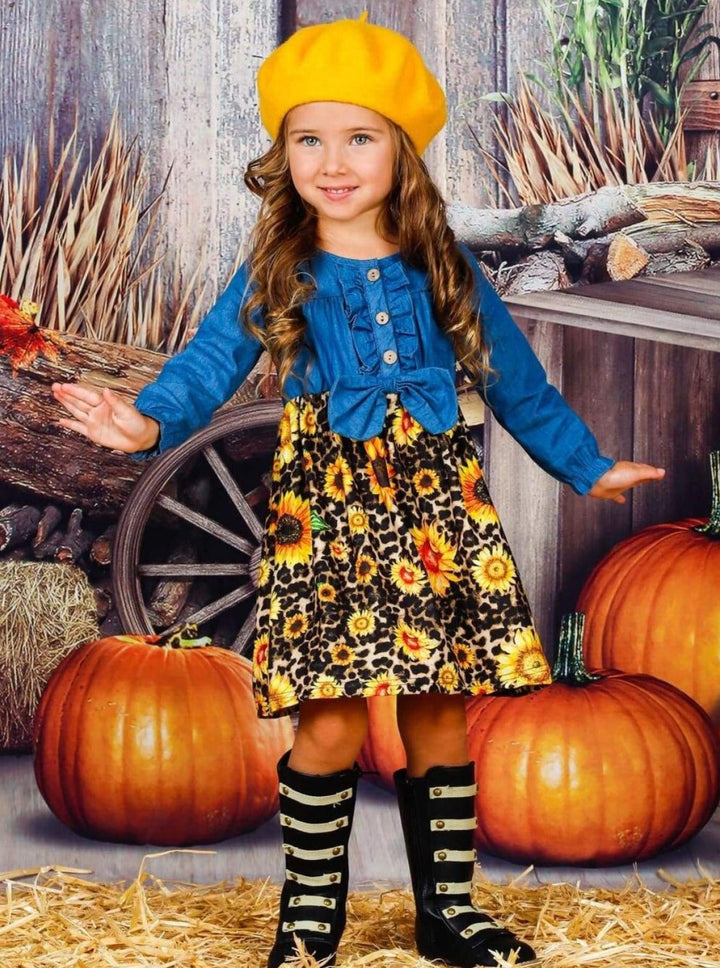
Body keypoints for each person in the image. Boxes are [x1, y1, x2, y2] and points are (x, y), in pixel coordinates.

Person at [52, 13, 665, 968]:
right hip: (327, 512)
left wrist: (584, 464)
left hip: (436, 507)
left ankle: (446, 911)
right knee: (331, 713)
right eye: (309, 140)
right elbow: (209, 361)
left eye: (359, 138)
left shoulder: (442, 264)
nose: (333, 162)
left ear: (401, 150)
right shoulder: (279, 269)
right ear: (283, 154)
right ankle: (310, 917)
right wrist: (145, 421)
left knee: (439, 706)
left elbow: (513, 378)